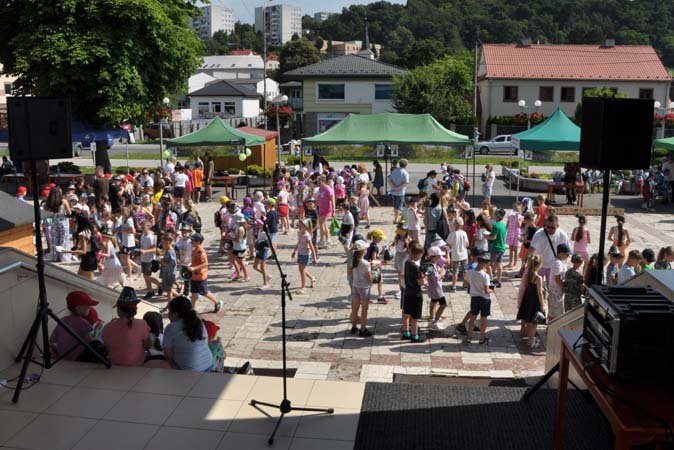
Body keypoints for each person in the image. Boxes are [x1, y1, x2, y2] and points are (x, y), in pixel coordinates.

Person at [102, 287, 151, 366]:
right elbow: (147, 346)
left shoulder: (107, 327)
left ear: (118, 310)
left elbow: (107, 348)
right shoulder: (142, 324)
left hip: (114, 367)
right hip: (136, 367)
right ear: (135, 310)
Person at [49, 291, 103, 361]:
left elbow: (52, 340)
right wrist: (97, 330)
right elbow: (93, 343)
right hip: (78, 358)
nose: (90, 307)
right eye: (88, 305)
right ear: (78, 307)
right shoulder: (83, 322)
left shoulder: (62, 320)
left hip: (62, 357)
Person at [163, 296, 213, 371]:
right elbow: (205, 342)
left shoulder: (171, 328)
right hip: (208, 364)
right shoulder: (198, 322)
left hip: (189, 370)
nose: (168, 315)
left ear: (176, 313)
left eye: (169, 311)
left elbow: (168, 355)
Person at [528, 215, 571, 287]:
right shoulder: (539, 233)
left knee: (551, 287)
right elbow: (532, 248)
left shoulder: (562, 235)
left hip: (553, 266)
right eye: (548, 227)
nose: (550, 229)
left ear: (557, 226)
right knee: (536, 286)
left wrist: (563, 263)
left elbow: (568, 251)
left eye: (553, 228)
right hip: (540, 265)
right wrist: (527, 262)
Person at [463, 251, 493, 345]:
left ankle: (469, 337)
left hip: (474, 298)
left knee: (472, 318)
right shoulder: (485, 276)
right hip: (484, 299)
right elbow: (487, 290)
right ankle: (481, 338)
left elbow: (465, 284)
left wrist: (473, 284)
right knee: (483, 319)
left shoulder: (469, 272)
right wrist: (493, 289)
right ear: (485, 263)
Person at [189, 232, 223, 312]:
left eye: (192, 240)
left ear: (198, 242)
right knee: (193, 292)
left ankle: (217, 302)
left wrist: (194, 268)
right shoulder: (194, 249)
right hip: (194, 276)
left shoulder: (201, 251)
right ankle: (192, 309)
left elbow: (205, 264)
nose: (191, 242)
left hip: (200, 276)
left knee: (204, 292)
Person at [516, 255, 545, 349]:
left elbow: (524, 287)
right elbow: (539, 293)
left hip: (527, 299)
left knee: (528, 320)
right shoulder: (538, 278)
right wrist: (542, 304)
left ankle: (527, 334)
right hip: (535, 301)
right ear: (539, 265)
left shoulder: (527, 275)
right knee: (534, 322)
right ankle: (530, 340)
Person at [402, 241, 426, 343]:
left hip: (407, 292)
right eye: (420, 255)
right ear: (417, 254)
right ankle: (414, 335)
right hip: (416, 294)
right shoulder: (416, 268)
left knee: (406, 313)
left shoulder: (407, 263)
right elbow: (420, 282)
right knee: (415, 317)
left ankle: (405, 332)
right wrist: (425, 278)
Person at [349, 239, 373, 337]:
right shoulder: (365, 263)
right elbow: (369, 277)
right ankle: (363, 329)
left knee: (355, 308)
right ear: (363, 251)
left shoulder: (352, 261)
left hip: (355, 286)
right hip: (364, 288)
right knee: (364, 310)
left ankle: (354, 326)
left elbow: (350, 273)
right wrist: (371, 282)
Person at [44, 185, 72, 262]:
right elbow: (69, 213)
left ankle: (55, 256)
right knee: (64, 239)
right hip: (63, 220)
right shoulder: (63, 201)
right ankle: (63, 256)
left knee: (55, 238)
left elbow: (45, 209)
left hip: (54, 220)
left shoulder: (49, 202)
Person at [291, 219, 318, 294]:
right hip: (300, 253)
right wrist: (294, 251)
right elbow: (298, 242)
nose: (299, 227)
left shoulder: (307, 235)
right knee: (301, 270)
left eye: (301, 225)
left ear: (305, 226)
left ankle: (303, 287)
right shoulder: (299, 233)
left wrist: (314, 258)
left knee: (302, 270)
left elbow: (312, 247)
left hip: (305, 255)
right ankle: (312, 278)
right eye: (299, 225)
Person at [427, 247, 447, 330]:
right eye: (439, 256)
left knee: (433, 301)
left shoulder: (430, 264)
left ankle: (431, 319)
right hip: (436, 289)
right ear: (435, 256)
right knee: (443, 304)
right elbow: (435, 278)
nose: (440, 257)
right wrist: (442, 273)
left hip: (433, 288)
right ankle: (435, 321)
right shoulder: (430, 266)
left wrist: (440, 272)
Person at [366, 229, 388, 303]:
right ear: (377, 237)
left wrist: (382, 252)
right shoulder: (375, 247)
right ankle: (368, 297)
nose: (381, 239)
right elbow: (374, 258)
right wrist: (380, 263)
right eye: (380, 237)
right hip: (373, 267)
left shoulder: (372, 245)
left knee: (379, 281)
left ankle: (379, 296)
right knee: (372, 283)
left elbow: (376, 256)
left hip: (371, 266)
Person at [549, 243, 570, 320]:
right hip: (556, 290)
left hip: (556, 289)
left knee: (554, 309)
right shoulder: (558, 263)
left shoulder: (560, 261)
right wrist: (563, 287)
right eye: (566, 254)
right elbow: (557, 278)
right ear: (561, 253)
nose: (568, 256)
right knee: (556, 311)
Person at [447, 217, 468, 292]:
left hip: (455, 254)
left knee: (455, 271)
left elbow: (449, 244)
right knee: (465, 270)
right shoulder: (464, 233)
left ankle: (454, 286)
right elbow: (467, 244)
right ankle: (465, 285)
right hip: (464, 254)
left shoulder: (452, 234)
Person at [486, 208, 507, 288]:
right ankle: (498, 281)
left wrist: (486, 236)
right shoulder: (503, 225)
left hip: (495, 247)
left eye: (494, 214)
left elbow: (493, 237)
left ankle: (489, 279)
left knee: (488, 264)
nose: (493, 215)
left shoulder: (495, 225)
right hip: (502, 247)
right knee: (499, 264)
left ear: (497, 216)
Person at [316, 175, 335, 248]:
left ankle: (322, 240)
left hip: (327, 209)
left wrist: (334, 210)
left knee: (321, 223)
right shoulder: (320, 189)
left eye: (319, 182)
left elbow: (332, 200)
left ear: (323, 181)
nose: (318, 184)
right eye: (317, 182)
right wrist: (316, 205)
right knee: (324, 224)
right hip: (321, 209)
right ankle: (328, 240)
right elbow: (318, 198)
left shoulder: (328, 189)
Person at [389, 158, 409, 224]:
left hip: (393, 191)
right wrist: (398, 188)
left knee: (395, 206)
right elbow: (405, 183)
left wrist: (393, 187)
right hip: (400, 192)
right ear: (406, 165)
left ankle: (396, 218)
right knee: (398, 206)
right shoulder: (405, 173)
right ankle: (396, 219)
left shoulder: (394, 171)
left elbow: (389, 180)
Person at [504, 202, 523, 270]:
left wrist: (517, 218)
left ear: (520, 210)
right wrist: (504, 231)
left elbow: (519, 226)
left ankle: (515, 264)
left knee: (515, 249)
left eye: (517, 210)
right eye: (515, 209)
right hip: (510, 233)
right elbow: (507, 225)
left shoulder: (520, 217)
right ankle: (510, 262)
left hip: (516, 234)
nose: (516, 211)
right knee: (510, 249)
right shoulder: (510, 216)